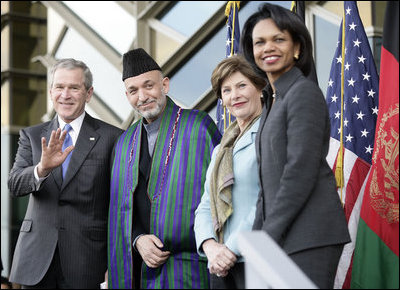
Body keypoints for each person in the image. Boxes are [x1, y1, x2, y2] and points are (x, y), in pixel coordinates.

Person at [240, 3, 351, 289]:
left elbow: (299, 171)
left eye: (279, 39)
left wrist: (267, 236)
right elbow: (268, 183)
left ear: (297, 47)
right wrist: (256, 243)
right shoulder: (270, 101)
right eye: (259, 42)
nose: (268, 48)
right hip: (281, 236)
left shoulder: (303, 93)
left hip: (310, 235)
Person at [107, 48, 221, 289]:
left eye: (149, 86)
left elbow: (222, 196)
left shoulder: (199, 126)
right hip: (141, 271)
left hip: (193, 267)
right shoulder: (124, 143)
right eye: (133, 90)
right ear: (127, 96)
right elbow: (122, 211)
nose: (142, 96)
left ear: (165, 85)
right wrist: (137, 240)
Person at [8, 58, 123, 289]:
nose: (65, 94)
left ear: (88, 93)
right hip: (36, 260)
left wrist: (116, 261)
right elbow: (15, 185)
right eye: (60, 87)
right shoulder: (32, 136)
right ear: (51, 92)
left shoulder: (113, 138)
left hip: (87, 260)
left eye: (74, 87)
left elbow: (119, 203)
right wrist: (43, 169)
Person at [194, 55, 266, 289]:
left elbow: (268, 200)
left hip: (260, 258)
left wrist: (230, 248)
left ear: (260, 88)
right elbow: (205, 204)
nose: (234, 95)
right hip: (221, 265)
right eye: (226, 90)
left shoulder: (271, 135)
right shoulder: (220, 149)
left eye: (242, 85)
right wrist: (210, 246)